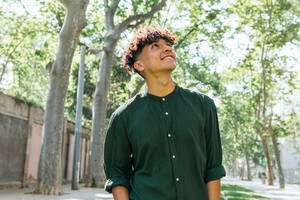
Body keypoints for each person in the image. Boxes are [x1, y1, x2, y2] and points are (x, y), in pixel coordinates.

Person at [103, 25, 226, 200]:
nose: (167, 48)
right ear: (139, 65)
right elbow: (117, 177)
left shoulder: (203, 105)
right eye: (155, 46)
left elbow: (213, 168)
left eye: (168, 44)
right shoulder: (123, 117)